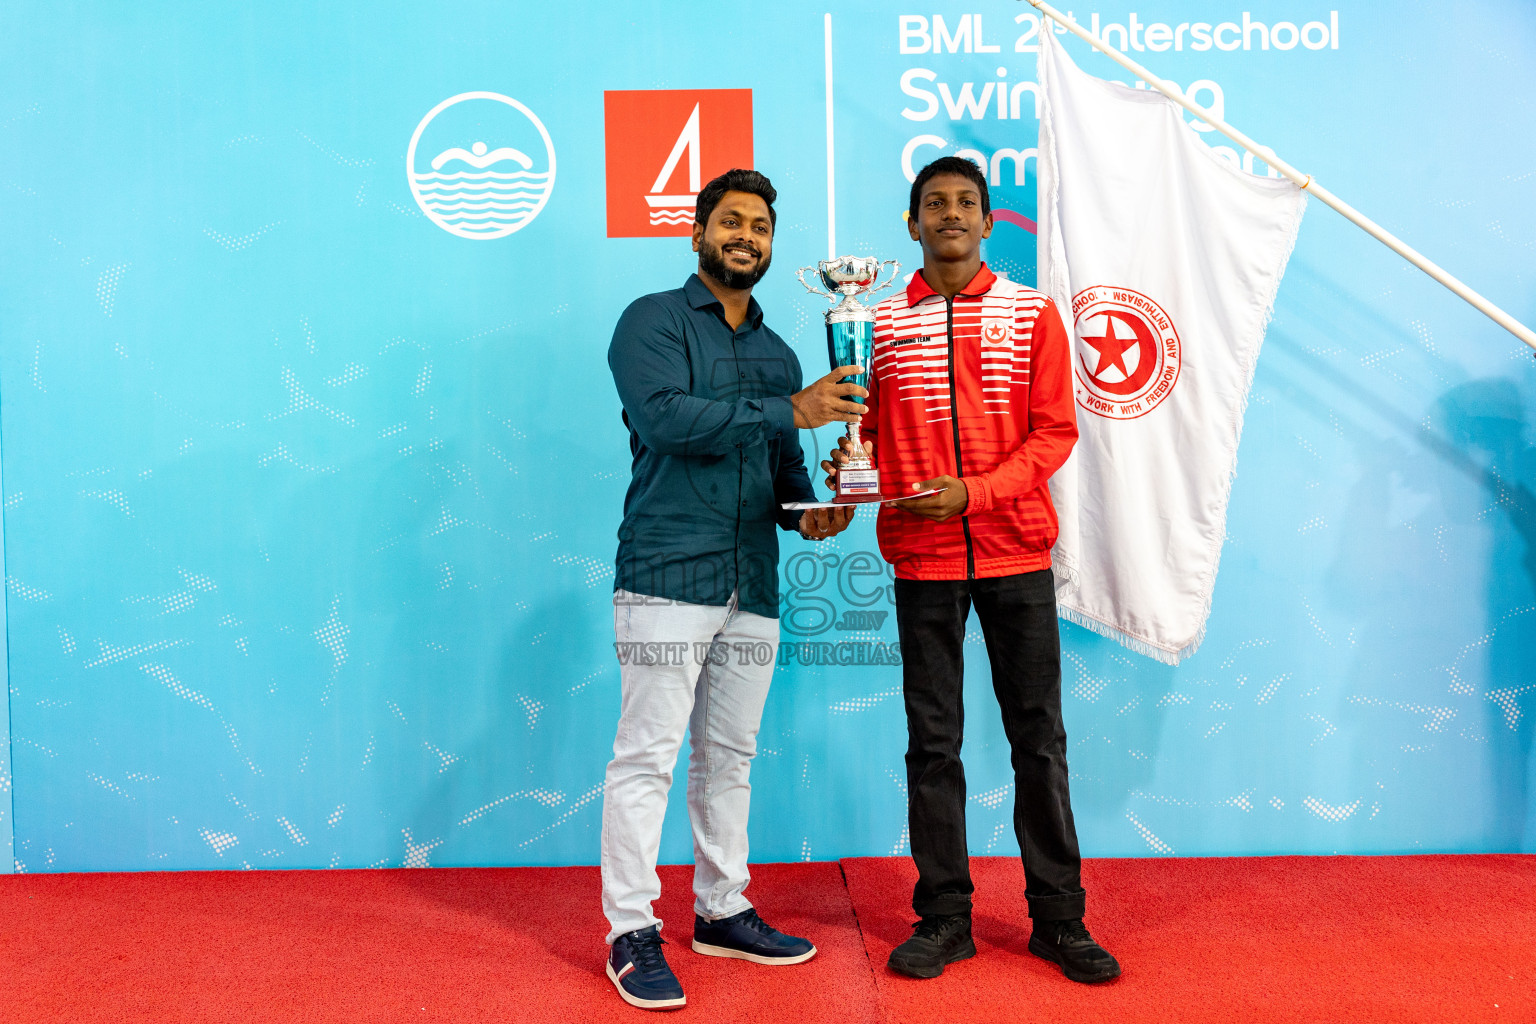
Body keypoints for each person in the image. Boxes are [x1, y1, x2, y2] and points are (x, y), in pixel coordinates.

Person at [824, 156, 1120, 984]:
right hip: (922, 562)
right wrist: (848, 478)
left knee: (1039, 740)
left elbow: (1054, 432)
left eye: (965, 202)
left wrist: (975, 494)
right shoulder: (876, 324)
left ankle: (1059, 919)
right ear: (912, 223)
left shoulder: (1031, 315)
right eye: (934, 203)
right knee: (933, 744)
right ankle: (945, 918)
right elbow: (865, 438)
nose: (950, 213)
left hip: (1016, 553)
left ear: (988, 222)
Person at [603, 168, 864, 1011]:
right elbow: (667, 421)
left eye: (760, 226)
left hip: (752, 585)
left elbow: (786, 475)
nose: (746, 235)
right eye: (731, 221)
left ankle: (721, 909)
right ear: (698, 235)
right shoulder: (651, 321)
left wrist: (816, 514)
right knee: (647, 756)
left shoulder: (782, 354)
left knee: (730, 758)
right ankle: (630, 930)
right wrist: (793, 410)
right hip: (667, 575)